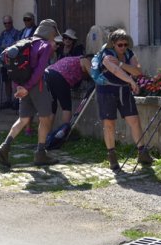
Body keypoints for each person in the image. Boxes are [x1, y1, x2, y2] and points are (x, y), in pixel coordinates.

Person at [0, 19, 61, 170]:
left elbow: (18, 67)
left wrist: (21, 87)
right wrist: (28, 87)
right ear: (51, 32)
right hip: (36, 86)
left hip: (22, 86)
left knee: (23, 119)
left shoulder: (26, 42)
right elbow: (39, 70)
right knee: (46, 118)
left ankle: (5, 147)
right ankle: (40, 153)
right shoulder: (45, 46)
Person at [96, 29, 153, 173]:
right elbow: (115, 71)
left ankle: (142, 153)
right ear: (113, 44)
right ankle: (112, 157)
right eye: (120, 45)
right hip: (107, 90)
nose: (123, 47)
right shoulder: (106, 55)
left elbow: (137, 71)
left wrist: (122, 64)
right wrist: (131, 81)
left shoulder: (129, 54)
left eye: (125, 44)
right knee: (109, 123)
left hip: (123, 90)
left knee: (134, 120)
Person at [45, 54, 92, 125]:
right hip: (60, 77)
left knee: (52, 108)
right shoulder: (85, 60)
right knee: (66, 107)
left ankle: (46, 134)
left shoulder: (73, 60)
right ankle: (64, 131)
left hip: (48, 74)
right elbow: (94, 75)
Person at [0, 15, 20, 109]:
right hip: (4, 61)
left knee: (14, 81)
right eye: (5, 23)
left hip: (14, 61)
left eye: (9, 23)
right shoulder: (2, 34)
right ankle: (8, 100)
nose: (7, 25)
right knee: (6, 81)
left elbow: (18, 45)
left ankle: (16, 100)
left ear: (12, 22)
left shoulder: (17, 33)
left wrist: (9, 46)